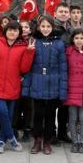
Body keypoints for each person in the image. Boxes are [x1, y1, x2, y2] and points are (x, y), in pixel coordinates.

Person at [0, 21, 35, 154]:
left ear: (19, 33)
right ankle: (12, 138)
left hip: (13, 86)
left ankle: (1, 142)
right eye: (10, 30)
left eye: (15, 30)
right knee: (2, 112)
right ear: (5, 31)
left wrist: (28, 53)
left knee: (9, 117)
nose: (12, 32)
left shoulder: (23, 48)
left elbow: (24, 68)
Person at [22, 15, 67, 155]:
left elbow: (63, 68)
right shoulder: (34, 41)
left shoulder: (59, 44)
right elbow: (28, 67)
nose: (45, 29)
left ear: (52, 27)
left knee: (50, 115)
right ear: (38, 27)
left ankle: (47, 141)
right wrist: (26, 88)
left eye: (48, 26)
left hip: (53, 83)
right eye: (43, 26)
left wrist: (62, 89)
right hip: (37, 82)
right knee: (38, 114)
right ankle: (37, 140)